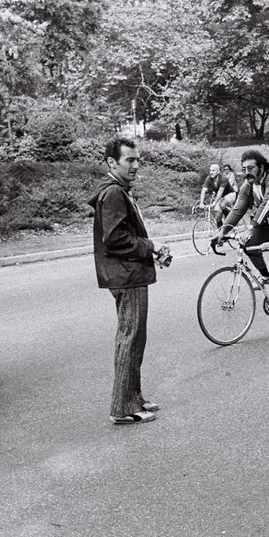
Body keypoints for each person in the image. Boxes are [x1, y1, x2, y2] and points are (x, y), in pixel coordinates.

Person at [90, 137, 170, 425]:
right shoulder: (113, 193)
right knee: (130, 338)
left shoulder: (118, 190)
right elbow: (115, 239)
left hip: (129, 273)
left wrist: (150, 250)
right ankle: (122, 407)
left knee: (136, 338)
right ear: (112, 163)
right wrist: (151, 247)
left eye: (138, 159)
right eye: (129, 160)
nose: (136, 165)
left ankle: (133, 397)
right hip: (127, 275)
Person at [215, 149, 269, 328]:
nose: (246, 172)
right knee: (247, 244)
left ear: (261, 167)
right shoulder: (248, 186)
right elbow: (238, 208)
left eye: (251, 167)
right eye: (243, 168)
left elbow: (268, 202)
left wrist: (252, 226)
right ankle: (265, 276)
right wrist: (222, 231)